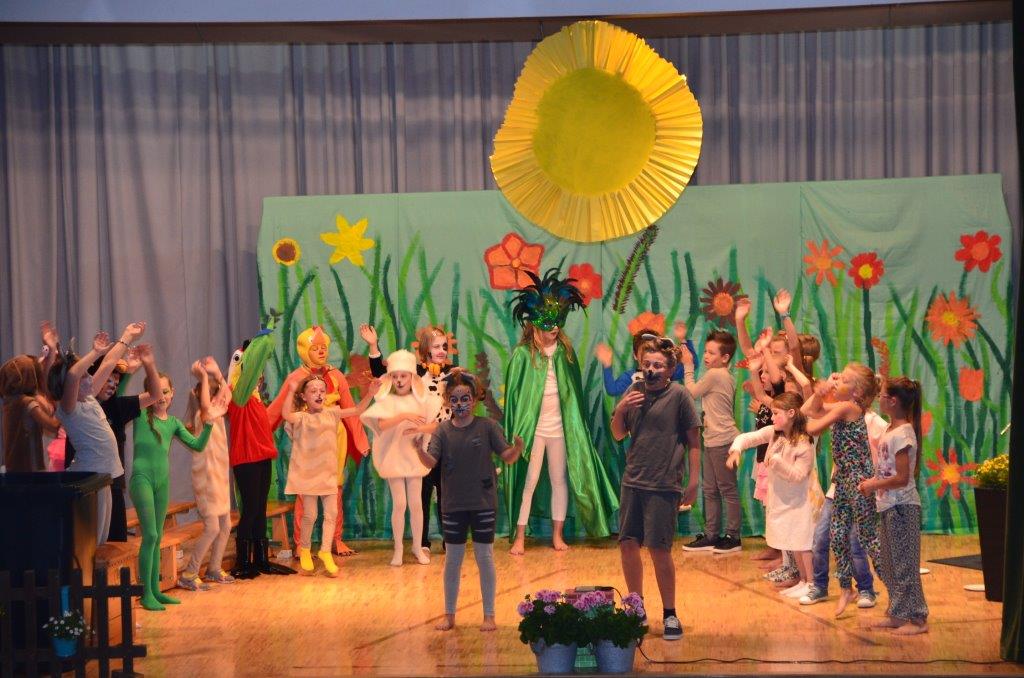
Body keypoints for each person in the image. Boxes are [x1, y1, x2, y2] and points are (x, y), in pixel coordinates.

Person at [502, 268, 618, 555]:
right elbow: (516, 400)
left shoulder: (566, 352)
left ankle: (557, 534)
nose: (554, 329)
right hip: (533, 430)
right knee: (529, 481)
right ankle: (519, 536)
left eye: (558, 323)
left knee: (559, 480)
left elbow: (573, 396)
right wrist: (516, 434)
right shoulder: (522, 355)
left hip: (560, 428)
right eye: (548, 324)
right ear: (534, 325)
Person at [416, 370, 523, 631]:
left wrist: (517, 448)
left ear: (474, 400)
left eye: (465, 399)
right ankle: (449, 615)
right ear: (447, 402)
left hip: (483, 503)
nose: (460, 404)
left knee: (484, 557)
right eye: (454, 400)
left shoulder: (487, 427)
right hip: (453, 505)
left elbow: (507, 456)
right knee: (453, 560)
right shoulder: (442, 431)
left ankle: (489, 615)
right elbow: (430, 462)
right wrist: (418, 450)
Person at [611, 336, 700, 640]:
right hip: (633, 481)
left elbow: (694, 442)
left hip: (664, 484)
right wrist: (621, 408)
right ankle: (636, 609)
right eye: (647, 364)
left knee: (659, 549)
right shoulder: (633, 391)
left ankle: (670, 613)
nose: (651, 369)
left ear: (670, 369)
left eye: (658, 365)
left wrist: (693, 481)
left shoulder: (679, 396)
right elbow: (618, 433)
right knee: (628, 544)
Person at [266, 325, 370, 557]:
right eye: (315, 348)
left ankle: (335, 539)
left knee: (334, 487)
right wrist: (258, 430)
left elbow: (350, 409)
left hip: (334, 437)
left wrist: (360, 439)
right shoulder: (296, 378)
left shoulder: (336, 375)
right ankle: (300, 545)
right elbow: (278, 409)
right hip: (307, 438)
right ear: (305, 351)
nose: (321, 351)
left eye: (324, 347)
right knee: (306, 491)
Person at [50, 323, 154, 545]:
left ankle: (96, 567)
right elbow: (72, 375)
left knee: (104, 539)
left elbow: (108, 364)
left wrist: (127, 336)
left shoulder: (88, 398)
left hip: (104, 478)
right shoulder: (69, 409)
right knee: (92, 540)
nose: (91, 378)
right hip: (89, 480)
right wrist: (95, 352)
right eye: (86, 376)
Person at [363, 323, 457, 554]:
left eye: (444, 346)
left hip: (446, 440)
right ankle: (421, 543)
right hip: (421, 443)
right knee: (421, 494)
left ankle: (450, 540)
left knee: (447, 493)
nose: (441, 350)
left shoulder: (452, 372)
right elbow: (382, 373)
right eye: (436, 346)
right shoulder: (416, 372)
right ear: (425, 349)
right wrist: (374, 346)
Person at [131, 368, 220, 611]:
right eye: (155, 391)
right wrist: (128, 372)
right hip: (141, 480)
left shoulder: (173, 424)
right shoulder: (139, 414)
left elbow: (197, 445)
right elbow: (119, 396)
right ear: (147, 394)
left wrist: (208, 425)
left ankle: (155, 591)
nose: (161, 396)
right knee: (150, 535)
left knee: (158, 536)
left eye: (165, 391)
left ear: (172, 393)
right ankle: (145, 593)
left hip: (162, 482)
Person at [802, 363, 883, 616]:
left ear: (856, 392)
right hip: (843, 483)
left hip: (859, 483)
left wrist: (823, 392)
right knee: (837, 537)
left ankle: (894, 585)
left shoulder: (848, 407)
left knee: (867, 540)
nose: (837, 382)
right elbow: (809, 410)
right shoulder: (842, 406)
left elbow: (811, 427)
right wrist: (821, 392)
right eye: (839, 378)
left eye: (843, 380)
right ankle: (846, 588)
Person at [282, 374, 377, 576]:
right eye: (313, 391)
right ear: (304, 396)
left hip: (328, 474)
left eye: (322, 391)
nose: (319, 394)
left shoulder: (332, 413)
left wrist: (370, 394)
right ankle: (305, 549)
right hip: (309, 475)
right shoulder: (301, 417)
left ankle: (325, 551)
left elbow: (357, 410)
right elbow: (286, 415)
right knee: (310, 515)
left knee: (331, 513)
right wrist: (290, 391)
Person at [727, 392, 817, 599]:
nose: (772, 417)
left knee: (803, 544)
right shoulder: (774, 433)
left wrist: (777, 462)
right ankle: (803, 581)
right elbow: (748, 438)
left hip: (799, 502)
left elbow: (798, 475)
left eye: (776, 413)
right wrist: (737, 450)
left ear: (791, 413)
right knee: (793, 542)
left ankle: (812, 583)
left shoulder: (804, 442)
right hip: (782, 500)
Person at [858, 376, 928, 634]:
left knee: (905, 565)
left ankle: (918, 618)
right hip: (887, 506)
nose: (880, 399)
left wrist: (872, 485)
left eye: (883, 395)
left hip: (903, 507)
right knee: (889, 564)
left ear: (894, 401)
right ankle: (898, 613)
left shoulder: (904, 433)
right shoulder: (890, 429)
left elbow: (901, 478)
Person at [360, 349, 441, 566]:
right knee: (400, 504)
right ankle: (398, 548)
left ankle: (417, 546)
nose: (399, 380)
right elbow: (381, 425)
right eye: (395, 376)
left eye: (403, 376)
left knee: (416, 503)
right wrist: (403, 416)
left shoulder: (423, 400)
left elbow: (435, 425)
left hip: (414, 456)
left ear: (412, 377)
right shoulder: (388, 401)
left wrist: (419, 430)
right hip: (394, 457)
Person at [679, 328, 742, 554]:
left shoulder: (716, 374)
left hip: (723, 440)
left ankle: (733, 536)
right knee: (710, 490)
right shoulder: (723, 375)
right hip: (713, 440)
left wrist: (688, 366)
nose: (706, 356)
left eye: (711, 353)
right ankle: (712, 534)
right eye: (705, 351)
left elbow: (692, 392)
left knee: (726, 489)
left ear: (725, 357)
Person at [178, 357, 236, 590]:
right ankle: (189, 573)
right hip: (207, 479)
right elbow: (205, 406)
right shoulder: (203, 416)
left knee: (226, 526)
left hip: (219, 477)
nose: (219, 398)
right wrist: (204, 377)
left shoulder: (217, 414)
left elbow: (227, 394)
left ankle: (213, 568)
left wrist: (218, 374)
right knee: (212, 528)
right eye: (213, 395)